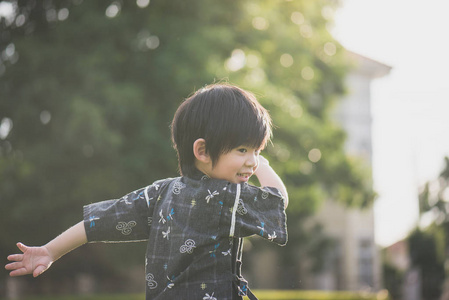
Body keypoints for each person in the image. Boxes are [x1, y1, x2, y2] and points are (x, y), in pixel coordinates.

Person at [5, 83, 288, 300]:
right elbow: (278, 198)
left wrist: (50, 251)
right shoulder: (226, 197)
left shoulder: (161, 193)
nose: (251, 160)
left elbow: (100, 222)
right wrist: (263, 164)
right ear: (202, 151)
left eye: (257, 150)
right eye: (243, 150)